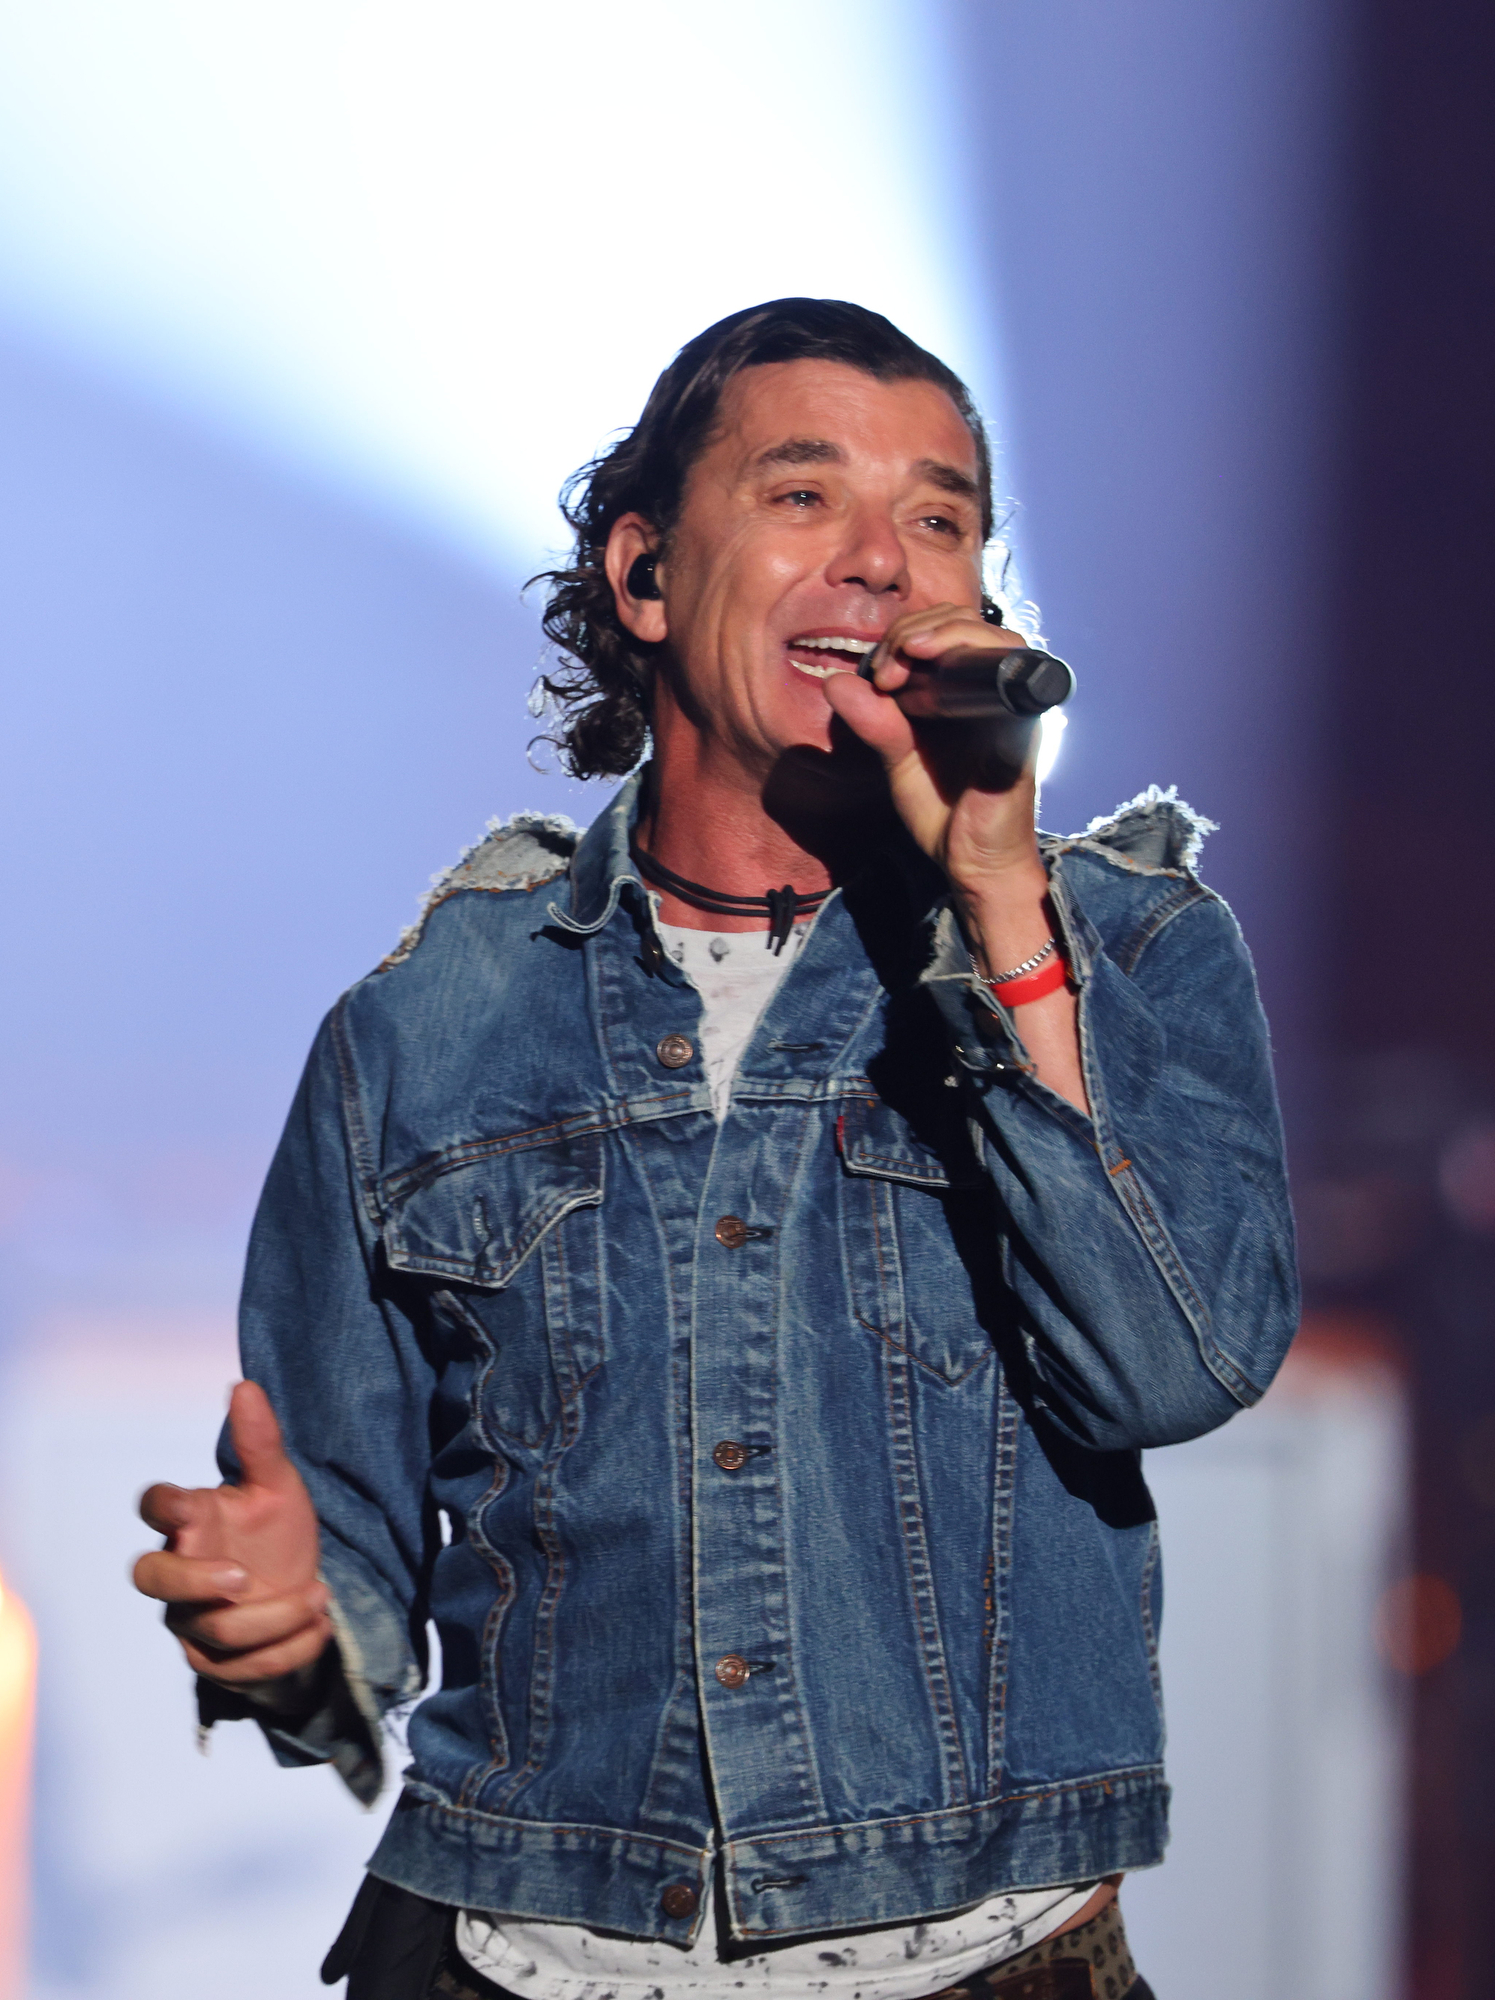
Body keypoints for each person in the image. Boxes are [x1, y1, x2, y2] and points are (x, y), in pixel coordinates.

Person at [133, 299, 1297, 2000]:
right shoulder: (426, 1027)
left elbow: (1174, 1365)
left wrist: (993, 897)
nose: (884, 564)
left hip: (977, 1958)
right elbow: (349, 1563)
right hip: (512, 1950)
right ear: (648, 574)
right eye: (806, 496)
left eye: (940, 518)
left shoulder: (1121, 947)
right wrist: (291, 1632)